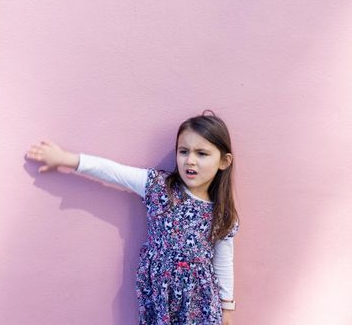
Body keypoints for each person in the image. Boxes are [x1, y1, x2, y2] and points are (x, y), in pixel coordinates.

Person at [25, 110, 240, 325]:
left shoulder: (222, 213)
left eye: (202, 154)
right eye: (183, 151)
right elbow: (113, 172)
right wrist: (66, 159)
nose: (190, 160)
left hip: (200, 301)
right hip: (159, 294)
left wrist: (227, 308)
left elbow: (223, 261)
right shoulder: (159, 187)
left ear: (223, 161)